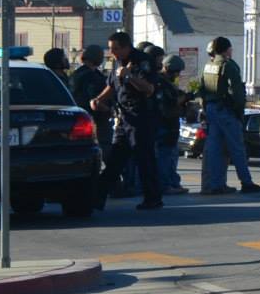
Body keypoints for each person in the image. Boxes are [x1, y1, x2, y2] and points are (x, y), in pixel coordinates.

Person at [99, 31, 163, 210]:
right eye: (111, 49)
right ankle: (96, 198)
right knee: (114, 161)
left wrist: (129, 76)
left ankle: (153, 198)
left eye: (116, 49)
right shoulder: (117, 62)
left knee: (145, 160)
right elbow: (112, 86)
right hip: (124, 118)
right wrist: (99, 100)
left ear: (127, 47)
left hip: (141, 118)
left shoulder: (142, 61)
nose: (113, 53)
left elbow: (149, 89)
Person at [199, 36, 260, 195]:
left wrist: (205, 109)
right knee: (237, 149)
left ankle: (213, 185)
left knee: (214, 150)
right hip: (226, 111)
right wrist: (238, 111)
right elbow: (237, 92)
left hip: (211, 110)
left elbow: (202, 89)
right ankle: (246, 183)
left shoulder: (208, 65)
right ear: (227, 49)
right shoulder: (228, 65)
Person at [152, 49, 189, 196]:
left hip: (170, 126)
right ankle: (165, 185)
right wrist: (183, 99)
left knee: (170, 157)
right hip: (165, 126)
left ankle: (172, 182)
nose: (177, 75)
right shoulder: (161, 83)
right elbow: (169, 104)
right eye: (175, 71)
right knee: (164, 157)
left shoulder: (165, 83)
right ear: (166, 68)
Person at [71, 44, 112, 167]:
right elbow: (94, 99)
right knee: (104, 149)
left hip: (80, 117)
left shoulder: (77, 74)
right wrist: (109, 110)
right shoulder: (91, 76)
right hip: (96, 118)